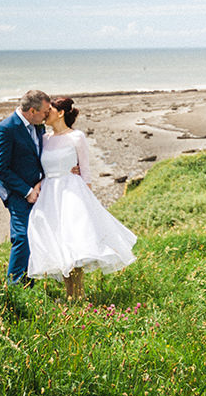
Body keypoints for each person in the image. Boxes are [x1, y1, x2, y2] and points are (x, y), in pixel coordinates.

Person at [27, 97, 137, 300]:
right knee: (59, 243)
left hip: (71, 192)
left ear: (60, 113)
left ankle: (77, 295)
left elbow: (85, 170)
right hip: (50, 194)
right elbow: (39, 167)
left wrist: (88, 200)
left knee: (74, 243)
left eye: (49, 110)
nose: (45, 114)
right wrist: (38, 183)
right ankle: (71, 295)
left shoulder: (77, 137)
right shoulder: (44, 138)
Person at [0, 89, 51, 285]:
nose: (47, 115)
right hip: (16, 192)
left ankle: (28, 284)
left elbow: (41, 156)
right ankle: (13, 288)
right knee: (22, 237)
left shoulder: (38, 126)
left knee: (37, 235)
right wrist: (27, 191)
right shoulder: (6, 129)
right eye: (45, 112)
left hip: (38, 189)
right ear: (32, 111)